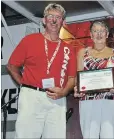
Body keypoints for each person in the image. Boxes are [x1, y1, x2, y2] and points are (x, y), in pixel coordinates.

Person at [7, 3, 77, 139]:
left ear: (63, 22)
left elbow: (72, 79)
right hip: (31, 98)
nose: (54, 20)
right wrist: (26, 85)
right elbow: (11, 66)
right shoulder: (30, 40)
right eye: (50, 16)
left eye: (58, 17)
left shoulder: (68, 48)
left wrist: (63, 91)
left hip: (58, 99)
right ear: (44, 20)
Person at [74, 21, 114, 138]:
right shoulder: (82, 53)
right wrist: (77, 88)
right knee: (89, 135)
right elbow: (78, 77)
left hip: (110, 100)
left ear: (107, 34)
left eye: (102, 31)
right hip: (88, 101)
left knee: (110, 135)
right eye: (95, 31)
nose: (99, 34)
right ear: (91, 35)